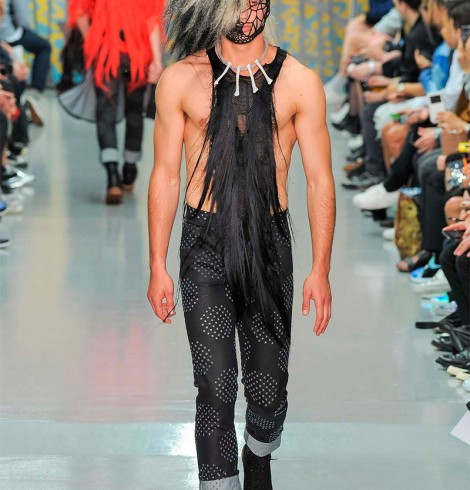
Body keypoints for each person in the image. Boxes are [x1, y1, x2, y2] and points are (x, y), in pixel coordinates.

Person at [147, 1, 335, 488]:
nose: (245, 14)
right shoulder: (180, 80)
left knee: (269, 389)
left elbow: (319, 180)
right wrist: (157, 264)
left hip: (269, 244)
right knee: (214, 384)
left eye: (254, 2)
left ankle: (259, 451)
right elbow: (165, 175)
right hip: (204, 244)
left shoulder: (299, 82)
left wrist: (320, 269)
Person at [68, 0, 165, 205]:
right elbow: (152, 20)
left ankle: (112, 176)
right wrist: (157, 61)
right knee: (134, 111)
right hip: (137, 55)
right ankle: (129, 168)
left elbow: (80, 12)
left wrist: (91, 42)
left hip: (105, 51)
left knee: (105, 111)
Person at [0, 0, 51, 125]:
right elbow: (23, 18)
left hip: (4, 41)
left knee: (14, 72)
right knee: (44, 47)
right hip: (10, 35)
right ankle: (34, 92)